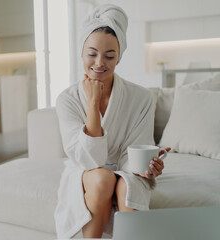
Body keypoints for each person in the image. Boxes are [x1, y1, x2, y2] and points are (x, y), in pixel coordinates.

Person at [54, 4, 170, 239]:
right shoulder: (66, 99)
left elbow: (135, 150)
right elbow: (90, 160)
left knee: (126, 186)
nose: (99, 63)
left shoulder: (141, 98)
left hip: (126, 170)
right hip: (85, 170)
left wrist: (145, 169)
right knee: (102, 178)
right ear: (81, 52)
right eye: (92, 53)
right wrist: (93, 103)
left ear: (119, 58)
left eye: (109, 56)